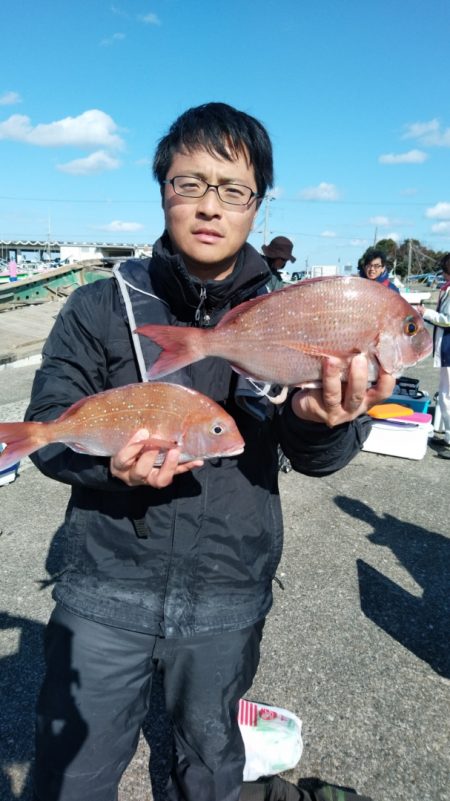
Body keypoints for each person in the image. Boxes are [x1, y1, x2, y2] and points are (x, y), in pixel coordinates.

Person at [26, 102, 394, 801]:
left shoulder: (294, 312)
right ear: (161, 187)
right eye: (188, 183)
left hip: (228, 592)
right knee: (69, 775)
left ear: (257, 204)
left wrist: (320, 420)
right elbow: (48, 427)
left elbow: (317, 456)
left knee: (209, 768)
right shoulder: (100, 307)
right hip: (102, 591)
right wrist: (109, 466)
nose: (209, 206)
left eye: (233, 189)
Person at [417, 252, 450, 459]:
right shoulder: (446, 289)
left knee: (447, 395)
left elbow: (447, 320)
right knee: (445, 394)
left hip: (449, 347)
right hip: (445, 347)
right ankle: (447, 435)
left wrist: (425, 313)